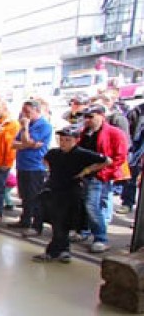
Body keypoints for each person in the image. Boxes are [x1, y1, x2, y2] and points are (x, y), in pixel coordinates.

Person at [33, 128, 110, 263]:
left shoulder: (81, 153)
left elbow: (106, 160)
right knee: (57, 222)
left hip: (71, 192)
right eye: (61, 140)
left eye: (67, 140)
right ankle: (62, 250)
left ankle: (55, 251)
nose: (63, 143)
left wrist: (87, 170)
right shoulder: (54, 153)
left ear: (76, 140)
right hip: (55, 190)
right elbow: (45, 161)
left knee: (64, 222)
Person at [78, 104, 128, 253]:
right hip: (86, 174)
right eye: (85, 117)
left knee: (93, 205)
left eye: (90, 116)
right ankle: (85, 231)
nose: (87, 120)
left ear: (101, 116)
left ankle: (101, 238)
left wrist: (103, 173)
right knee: (85, 204)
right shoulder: (85, 132)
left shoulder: (115, 133)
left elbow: (119, 157)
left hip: (100, 174)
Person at [9, 100, 53, 236]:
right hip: (22, 165)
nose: (25, 115)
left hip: (36, 166)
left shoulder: (44, 126)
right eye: (23, 112)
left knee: (35, 197)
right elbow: (14, 143)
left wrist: (26, 129)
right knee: (24, 196)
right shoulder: (24, 125)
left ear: (37, 111)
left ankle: (36, 225)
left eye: (28, 112)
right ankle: (25, 219)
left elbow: (28, 141)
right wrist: (25, 143)